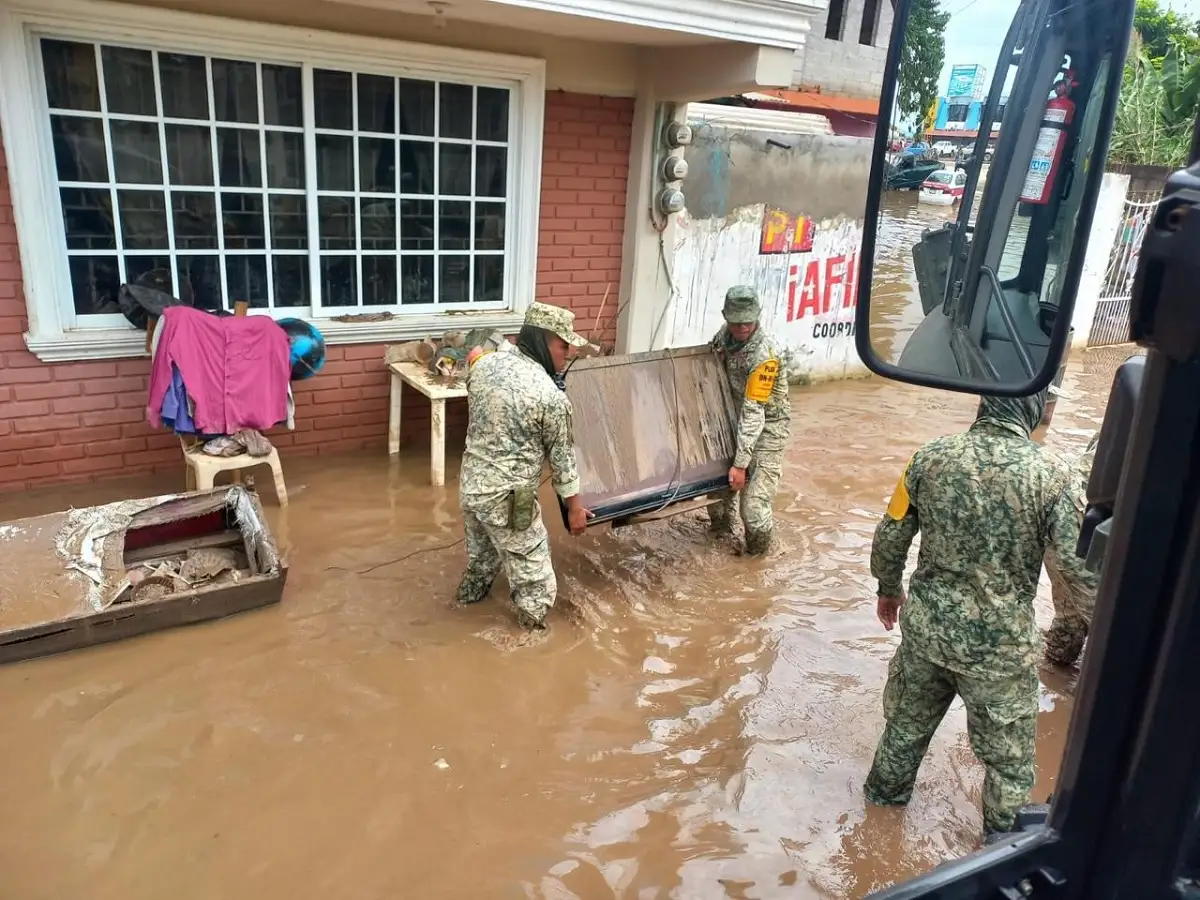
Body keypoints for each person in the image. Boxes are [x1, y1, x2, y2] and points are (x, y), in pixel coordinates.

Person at [863, 392, 1099, 840]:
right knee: (1008, 767)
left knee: (904, 732)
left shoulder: (927, 457)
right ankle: (998, 855)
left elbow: (891, 534)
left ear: (983, 407)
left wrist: (888, 590)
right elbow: (1076, 567)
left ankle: (876, 822)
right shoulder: (1054, 475)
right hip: (999, 652)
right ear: (1032, 412)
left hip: (927, 635)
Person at [455, 302, 593, 629]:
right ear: (543, 340)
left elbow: (476, 362)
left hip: (472, 490)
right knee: (537, 587)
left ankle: (459, 609)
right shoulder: (551, 397)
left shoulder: (484, 367)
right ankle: (526, 649)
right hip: (508, 502)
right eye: (563, 345)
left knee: (482, 565)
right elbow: (563, 464)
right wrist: (575, 511)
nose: (569, 352)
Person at [706, 285, 793, 555]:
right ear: (726, 317)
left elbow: (754, 410)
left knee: (753, 510)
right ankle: (721, 545)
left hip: (767, 430)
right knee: (717, 500)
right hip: (733, 423)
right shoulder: (725, 337)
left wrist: (741, 464)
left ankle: (758, 561)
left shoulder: (764, 356)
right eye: (736, 321)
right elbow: (708, 360)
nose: (742, 327)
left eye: (748, 321)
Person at [1044, 432, 1099, 666]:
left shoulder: (1124, 418)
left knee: (1071, 620)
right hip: (1075, 530)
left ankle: (1054, 670)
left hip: (1068, 529)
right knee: (1109, 623)